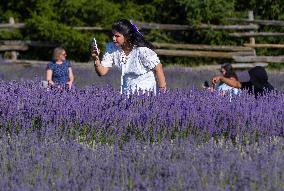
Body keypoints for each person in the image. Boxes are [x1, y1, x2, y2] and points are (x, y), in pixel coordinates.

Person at [91, 19, 166, 94]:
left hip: (146, 92)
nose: (113, 39)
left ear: (126, 36)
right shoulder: (112, 48)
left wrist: (162, 93)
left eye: (117, 36)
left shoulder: (142, 51)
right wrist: (96, 58)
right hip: (126, 92)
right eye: (113, 35)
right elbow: (102, 72)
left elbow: (158, 69)